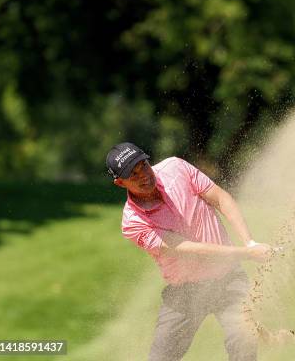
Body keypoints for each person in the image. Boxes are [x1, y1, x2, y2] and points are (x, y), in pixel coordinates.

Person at [106, 142, 272, 361]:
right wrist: (246, 253)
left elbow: (221, 199)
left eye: (143, 165)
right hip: (185, 293)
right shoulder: (133, 222)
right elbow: (186, 249)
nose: (144, 175)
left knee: (243, 342)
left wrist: (249, 242)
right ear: (120, 183)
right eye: (133, 175)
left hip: (229, 279)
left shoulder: (176, 168)